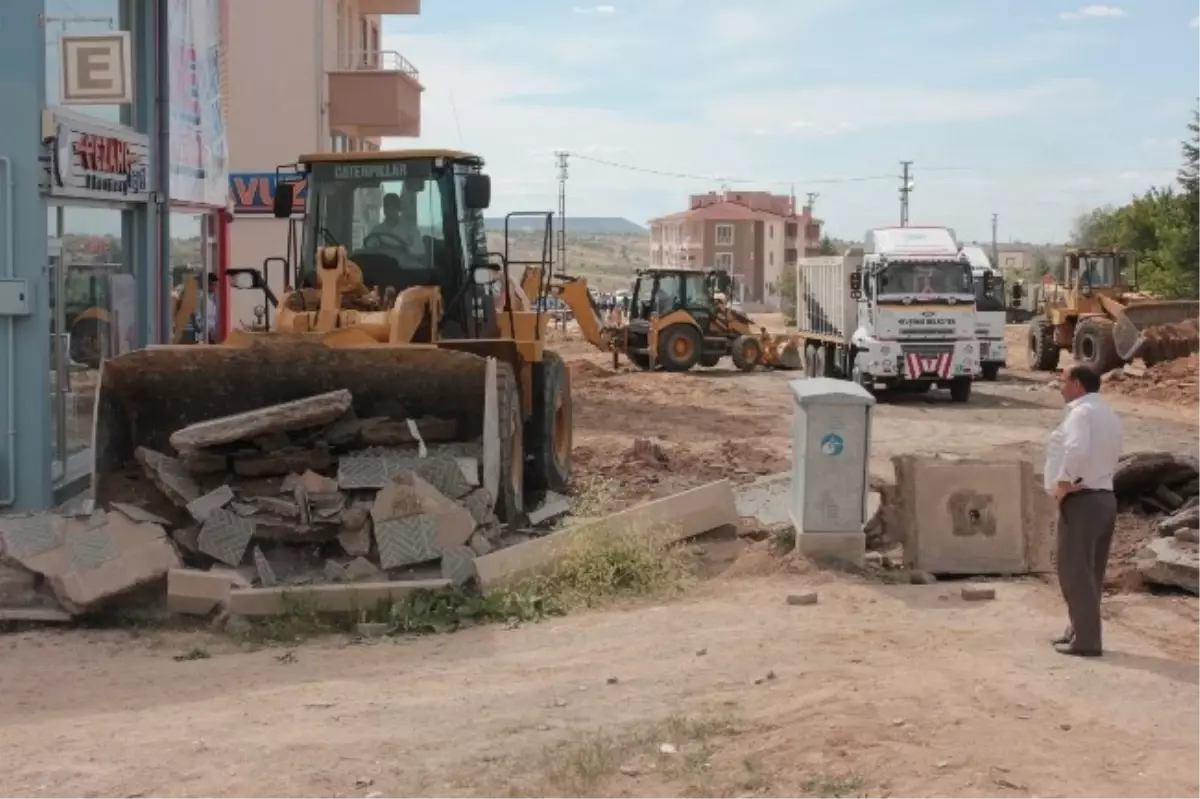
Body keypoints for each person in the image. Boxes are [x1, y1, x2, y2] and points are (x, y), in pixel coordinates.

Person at [1044, 364, 1123, 657]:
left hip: (1083, 500)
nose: (1060, 386)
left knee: (1074, 571)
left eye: (1063, 381)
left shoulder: (1081, 413)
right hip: (1104, 497)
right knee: (1091, 572)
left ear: (1077, 383)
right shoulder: (1109, 414)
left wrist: (1064, 482)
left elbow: (1076, 449)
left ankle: (1086, 641)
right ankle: (1078, 630)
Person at [369, 183, 425, 258]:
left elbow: (420, 252)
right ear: (384, 209)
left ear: (398, 208)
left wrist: (407, 249)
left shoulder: (411, 230)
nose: (389, 209)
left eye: (393, 206)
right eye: (387, 206)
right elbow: (368, 250)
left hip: (404, 267)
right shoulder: (376, 231)